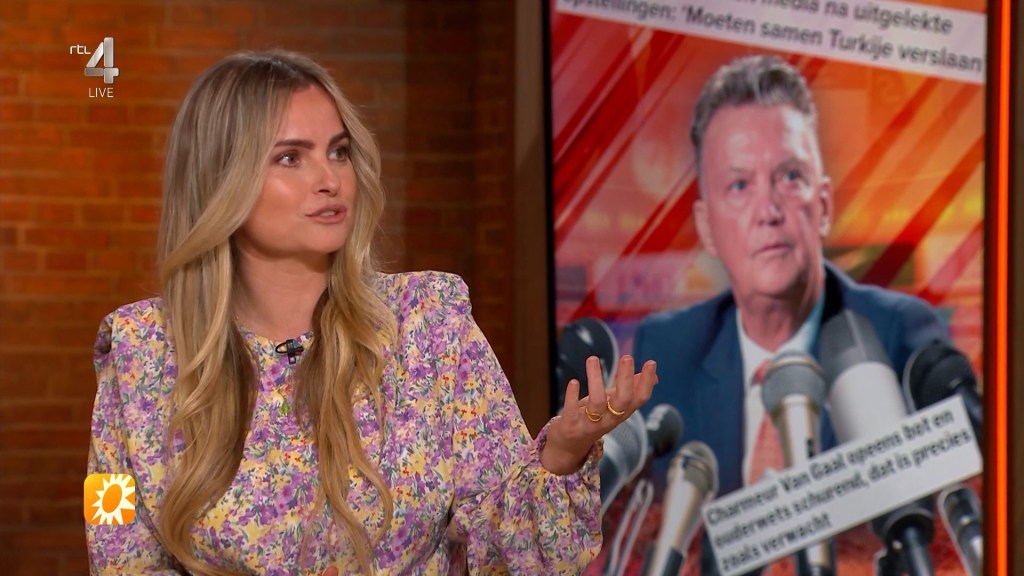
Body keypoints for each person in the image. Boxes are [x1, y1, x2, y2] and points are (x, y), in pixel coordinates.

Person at [85, 49, 658, 576]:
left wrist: (562, 454)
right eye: (291, 157)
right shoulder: (134, 352)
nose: (330, 179)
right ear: (219, 180)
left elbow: (508, 548)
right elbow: (110, 537)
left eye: (338, 152)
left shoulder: (431, 325)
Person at [631, 55, 953, 574]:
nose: (769, 210)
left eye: (789, 177)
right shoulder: (666, 353)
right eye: (740, 185)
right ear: (707, 226)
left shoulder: (901, 338)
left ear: (823, 205)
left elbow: (941, 538)